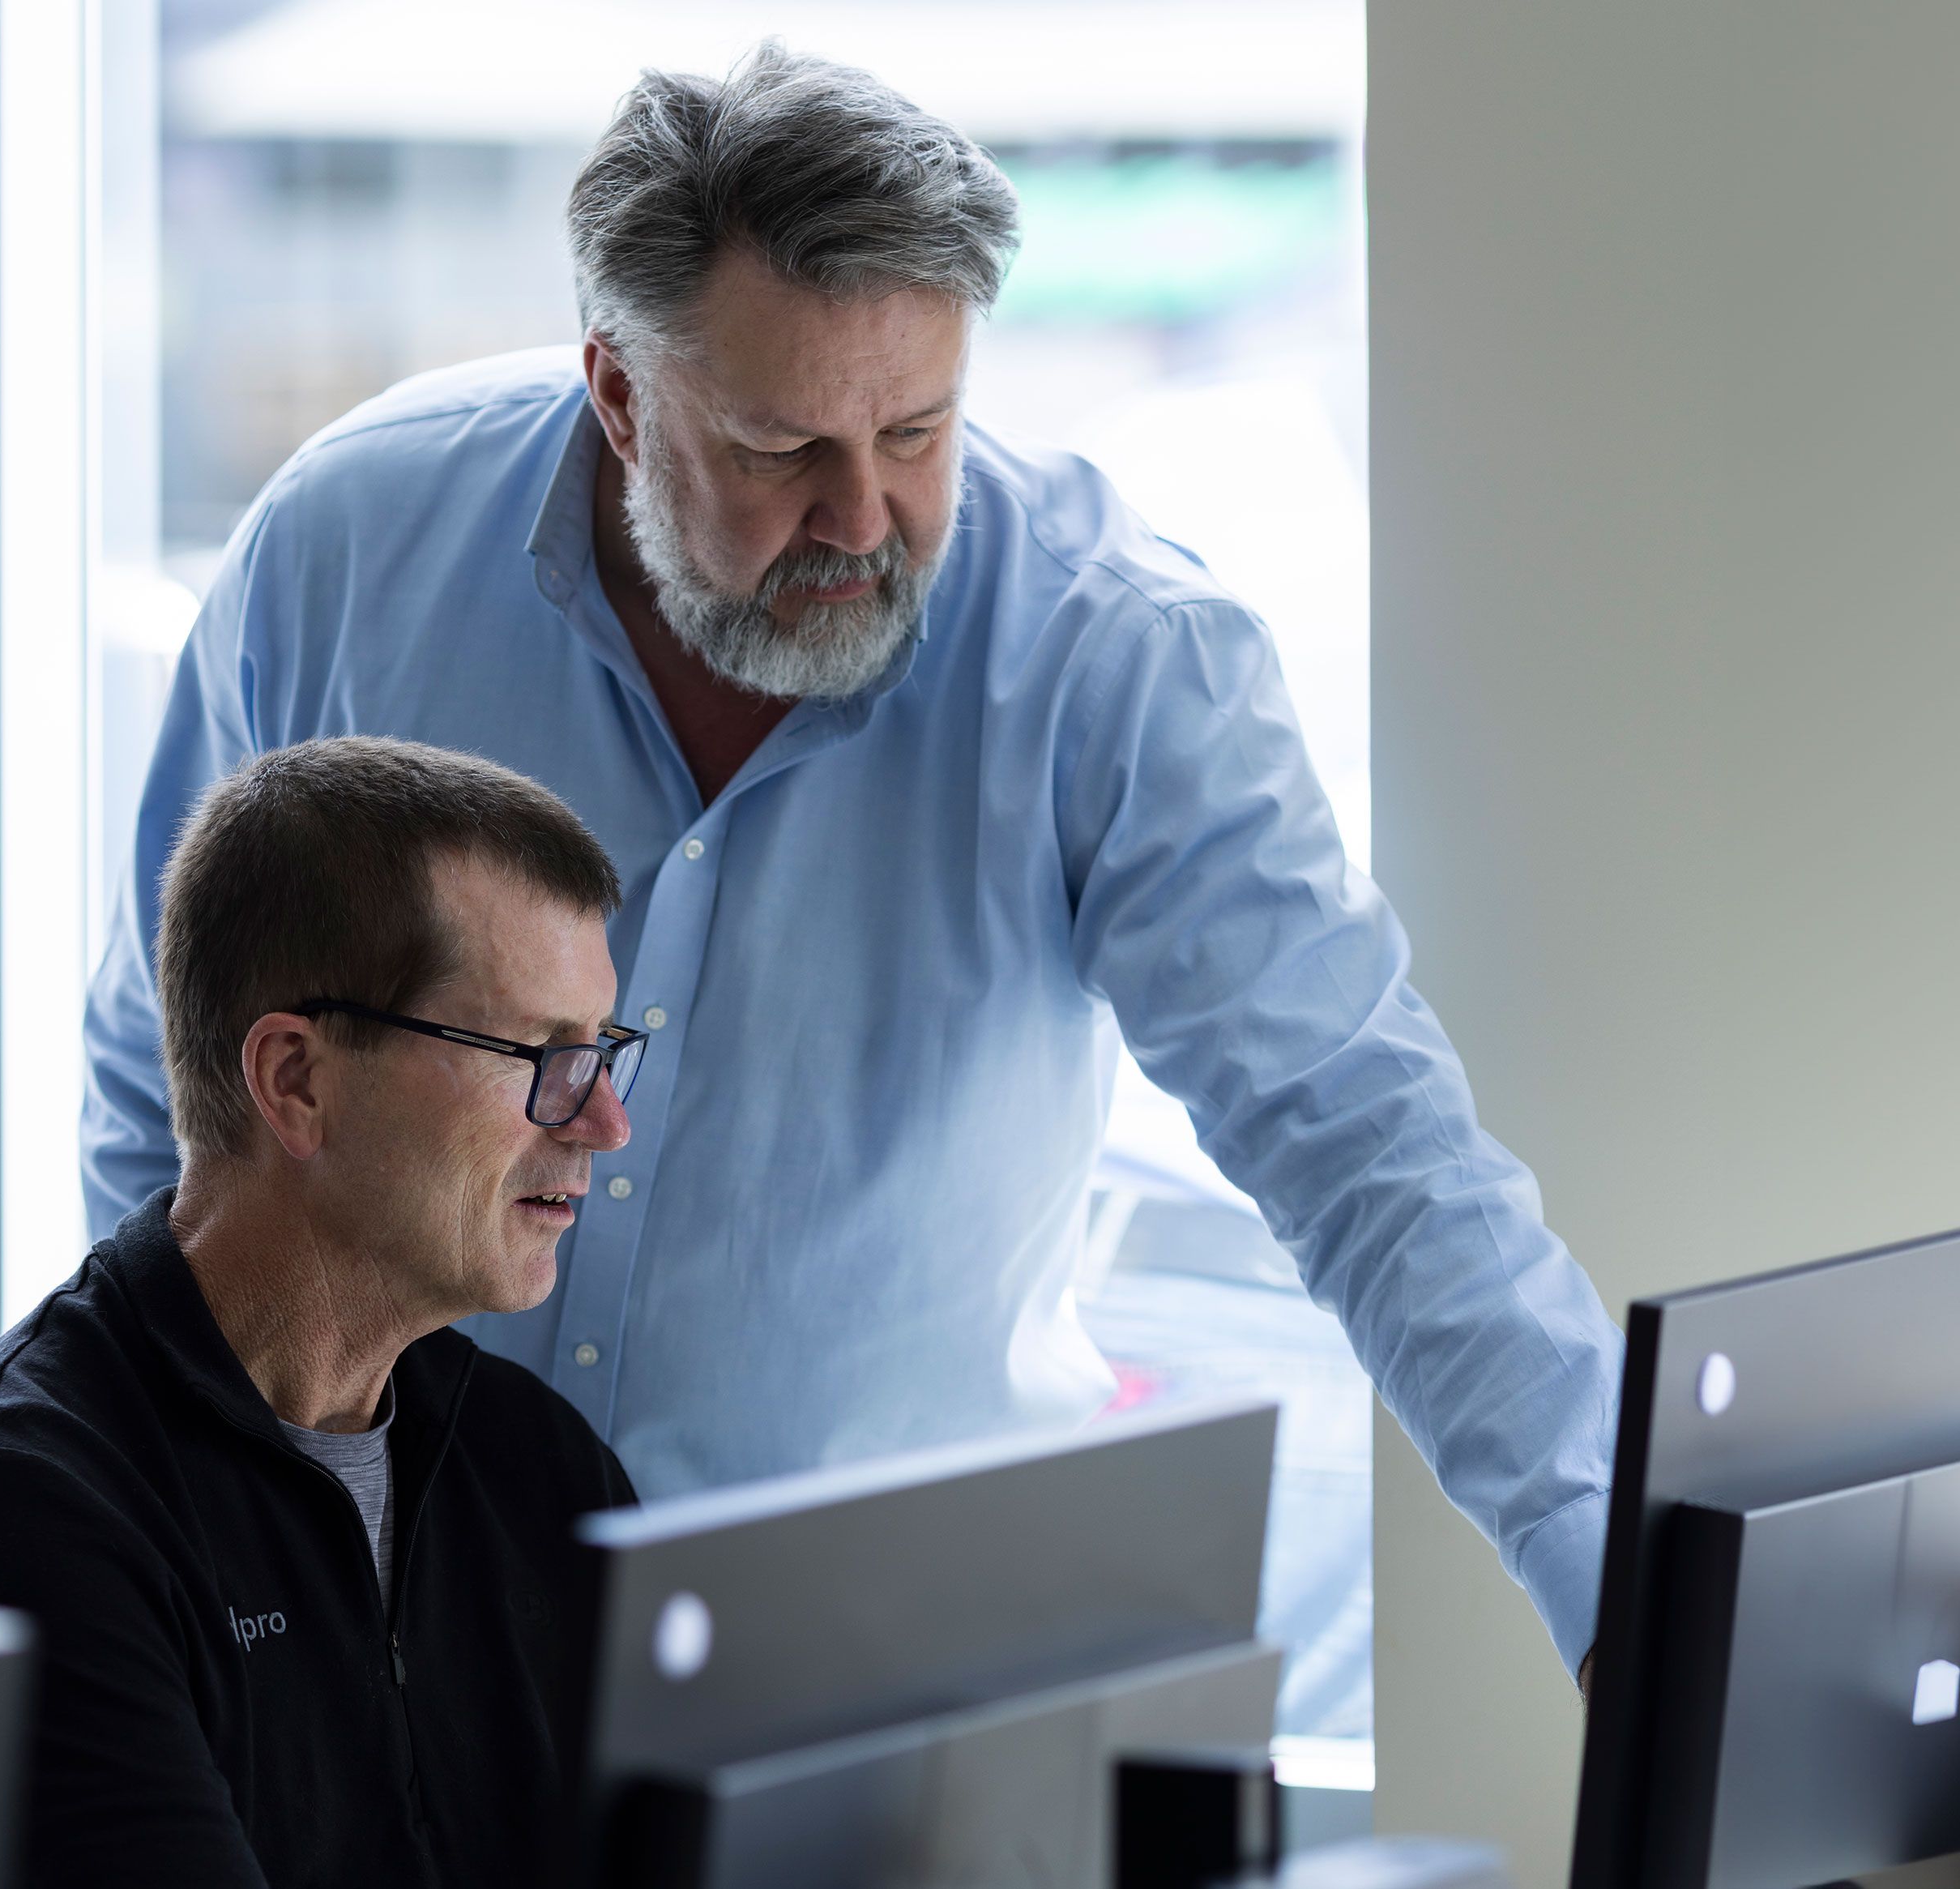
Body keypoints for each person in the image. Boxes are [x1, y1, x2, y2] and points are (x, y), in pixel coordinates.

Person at [83, 44, 1621, 1684]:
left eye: (917, 429)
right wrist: (204, 1513)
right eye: (778, 450)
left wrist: (1627, 1590)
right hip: (390, 1650)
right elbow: (168, 1089)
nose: (861, 517)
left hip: (872, 1688)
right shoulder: (346, 552)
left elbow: (1370, 1145)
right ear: (617, 389)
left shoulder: (1109, 661)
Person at [0, 737, 643, 1887]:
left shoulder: (540, 1469)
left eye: (604, 1053)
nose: (603, 1124)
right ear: (297, 1081)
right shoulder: (17, 1512)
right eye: (544, 1057)